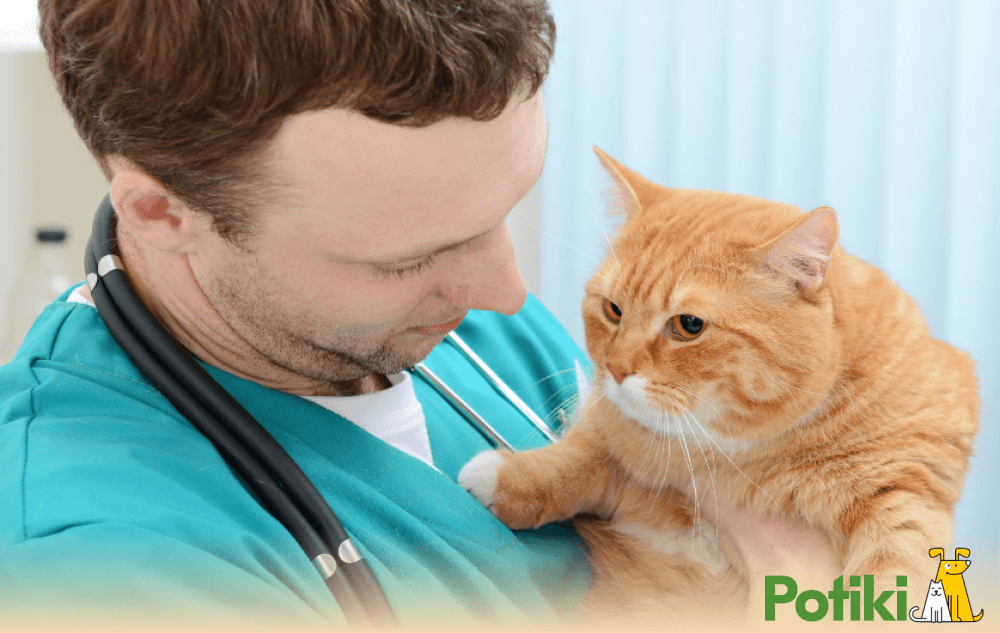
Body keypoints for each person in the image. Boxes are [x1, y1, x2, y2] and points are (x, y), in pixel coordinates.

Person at [0, 0, 838, 629]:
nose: (508, 292)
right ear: (161, 214)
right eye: (406, 258)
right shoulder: (107, 556)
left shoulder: (459, 320)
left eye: (507, 207)